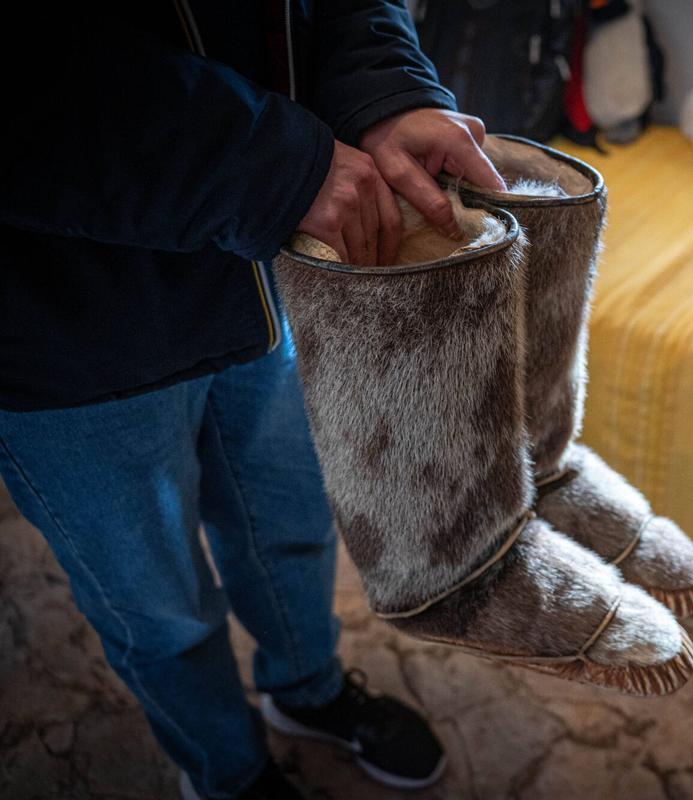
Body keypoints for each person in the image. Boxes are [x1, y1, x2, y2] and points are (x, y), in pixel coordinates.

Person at [0, 2, 505, 798]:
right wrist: (272, 169)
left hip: (266, 275)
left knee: (291, 529)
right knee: (158, 608)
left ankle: (306, 690)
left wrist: (388, 92)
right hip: (67, 329)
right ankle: (227, 773)